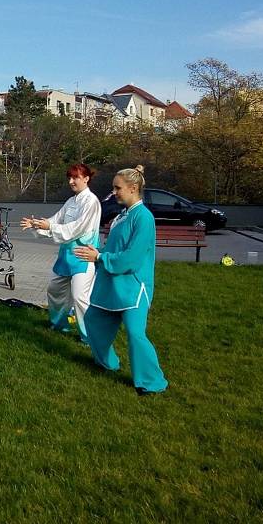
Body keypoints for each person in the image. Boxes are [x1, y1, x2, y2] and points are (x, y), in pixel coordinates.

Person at [73, 166, 168, 395]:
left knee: (135, 334)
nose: (113, 192)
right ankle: (107, 363)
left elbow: (132, 258)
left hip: (132, 287)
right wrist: (97, 253)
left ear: (133, 188)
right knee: (94, 322)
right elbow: (114, 248)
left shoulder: (143, 218)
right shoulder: (123, 215)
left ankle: (151, 383)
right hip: (110, 284)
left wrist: (100, 257)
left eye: (117, 188)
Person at [21, 163, 101, 344]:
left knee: (80, 297)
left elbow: (78, 229)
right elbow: (56, 220)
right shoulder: (71, 201)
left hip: (83, 257)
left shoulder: (92, 202)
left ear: (86, 179)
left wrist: (49, 227)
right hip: (65, 256)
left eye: (75, 178)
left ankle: (89, 337)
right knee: (54, 290)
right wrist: (36, 224)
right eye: (70, 178)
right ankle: (59, 324)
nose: (71, 181)